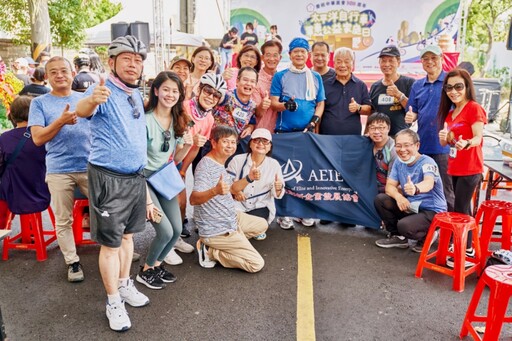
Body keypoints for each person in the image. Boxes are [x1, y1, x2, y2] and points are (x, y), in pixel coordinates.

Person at [76, 35, 150, 332]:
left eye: (138, 60)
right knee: (110, 245)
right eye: (127, 59)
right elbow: (84, 109)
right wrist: (91, 99)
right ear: (112, 63)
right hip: (108, 178)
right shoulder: (102, 89)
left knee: (129, 238)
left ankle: (124, 285)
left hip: (135, 177)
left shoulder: (133, 91)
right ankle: (112, 301)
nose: (134, 65)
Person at [28, 56, 90, 283]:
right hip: (58, 169)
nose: (59, 75)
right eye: (53, 72)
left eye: (64, 70)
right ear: (47, 77)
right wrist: (61, 121)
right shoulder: (39, 103)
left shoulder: (85, 100)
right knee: (63, 220)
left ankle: (116, 248)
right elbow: (36, 138)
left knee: (107, 211)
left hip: (89, 166)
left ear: (73, 72)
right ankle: (72, 262)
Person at [136, 71, 195, 289]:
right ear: (156, 91)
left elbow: (176, 159)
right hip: (145, 179)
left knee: (177, 230)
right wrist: (147, 201)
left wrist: (187, 146)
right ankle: (146, 270)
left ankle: (156, 265)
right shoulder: (145, 120)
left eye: (175, 91)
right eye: (166, 89)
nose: (170, 95)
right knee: (165, 231)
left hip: (165, 177)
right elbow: (138, 164)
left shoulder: (177, 119)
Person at [190, 125, 267, 272]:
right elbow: (193, 200)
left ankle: (234, 241)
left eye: (233, 142)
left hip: (231, 218)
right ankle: (209, 251)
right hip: (216, 228)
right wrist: (214, 191)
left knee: (262, 225)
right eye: (225, 141)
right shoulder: (206, 166)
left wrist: (249, 178)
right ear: (213, 143)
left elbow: (232, 188)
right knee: (256, 264)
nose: (230, 146)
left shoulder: (219, 162)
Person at [270, 37, 325, 228]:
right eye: (296, 51)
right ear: (290, 54)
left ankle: (304, 212)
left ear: (307, 54)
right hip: (284, 133)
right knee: (284, 175)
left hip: (307, 134)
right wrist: (286, 105)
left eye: (303, 51)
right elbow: (274, 103)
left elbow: (320, 103)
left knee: (305, 174)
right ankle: (284, 213)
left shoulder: (316, 77)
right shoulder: (280, 76)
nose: (299, 54)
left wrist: (314, 121)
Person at [437, 68, 486, 267]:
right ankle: (467, 247)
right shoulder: (451, 113)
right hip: (455, 167)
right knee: (463, 209)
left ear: (466, 87)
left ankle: (465, 252)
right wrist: (446, 139)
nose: (453, 91)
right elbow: (448, 142)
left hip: (471, 167)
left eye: (458, 86)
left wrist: (467, 143)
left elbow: (478, 137)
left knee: (460, 211)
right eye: (449, 87)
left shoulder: (473, 108)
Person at [374, 129, 447, 252]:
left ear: (417, 145)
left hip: (432, 210)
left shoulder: (428, 162)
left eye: (407, 145)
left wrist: (416, 188)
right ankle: (399, 237)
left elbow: (429, 183)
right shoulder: (398, 162)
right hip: (412, 206)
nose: (402, 150)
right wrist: (399, 197)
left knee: (405, 226)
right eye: (398, 146)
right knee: (381, 200)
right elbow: (389, 187)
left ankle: (429, 235)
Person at [176, 73, 227, 239]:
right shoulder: (182, 106)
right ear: (199, 90)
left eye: (216, 95)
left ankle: (175, 236)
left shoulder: (209, 119)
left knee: (181, 203)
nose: (211, 97)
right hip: (165, 160)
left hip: (178, 164)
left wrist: (183, 171)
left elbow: (195, 148)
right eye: (208, 91)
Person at [405, 45, 454, 212]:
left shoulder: (451, 82)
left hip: (444, 147)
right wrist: (412, 116)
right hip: (423, 146)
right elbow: (414, 111)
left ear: (441, 58)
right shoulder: (418, 85)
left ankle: (450, 232)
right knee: (425, 190)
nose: (430, 62)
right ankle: (429, 228)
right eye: (425, 59)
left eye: (433, 58)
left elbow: (463, 110)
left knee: (446, 190)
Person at [227, 128, 285, 234]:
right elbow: (228, 185)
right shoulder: (237, 160)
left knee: (258, 225)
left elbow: (277, 194)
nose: (260, 144)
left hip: (260, 206)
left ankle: (237, 233)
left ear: (270, 147)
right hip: (237, 206)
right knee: (233, 225)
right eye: (256, 140)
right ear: (250, 144)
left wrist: (278, 188)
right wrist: (237, 190)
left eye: (265, 141)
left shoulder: (274, 164)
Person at [0, 96, 50, 215]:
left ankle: (3, 228)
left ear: (12, 115)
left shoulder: (4, 138)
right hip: (43, 192)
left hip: (13, 194)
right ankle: (33, 230)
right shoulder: (45, 135)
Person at [319, 47, 371, 136]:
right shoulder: (325, 85)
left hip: (353, 137)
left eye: (347, 62)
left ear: (352, 64)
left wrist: (358, 107)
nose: (342, 65)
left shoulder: (360, 85)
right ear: (334, 64)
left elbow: (369, 110)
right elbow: (319, 109)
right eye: (338, 62)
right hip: (327, 137)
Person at [369, 46, 415, 136]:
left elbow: (414, 110)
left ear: (398, 62)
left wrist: (399, 95)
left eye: (390, 60)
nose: (387, 64)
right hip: (379, 137)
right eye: (383, 61)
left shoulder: (409, 83)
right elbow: (372, 113)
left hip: (401, 137)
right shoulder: (375, 86)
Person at [214, 66, 258, 140]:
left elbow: (251, 122)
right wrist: (220, 78)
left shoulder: (252, 105)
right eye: (245, 80)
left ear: (256, 84)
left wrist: (250, 128)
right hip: (216, 142)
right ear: (237, 81)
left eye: (252, 81)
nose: (248, 83)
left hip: (233, 145)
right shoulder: (226, 96)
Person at [253, 40, 282, 132]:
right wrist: (262, 105)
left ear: (280, 57)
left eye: (275, 55)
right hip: (261, 131)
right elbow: (257, 113)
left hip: (281, 132)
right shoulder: (255, 79)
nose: (272, 59)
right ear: (262, 57)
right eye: (268, 55)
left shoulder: (284, 78)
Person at [367, 112, 397, 194]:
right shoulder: (365, 143)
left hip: (387, 192)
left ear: (388, 128)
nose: (376, 132)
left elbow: (393, 184)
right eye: (372, 128)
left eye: (381, 128)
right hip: (366, 188)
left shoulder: (394, 150)